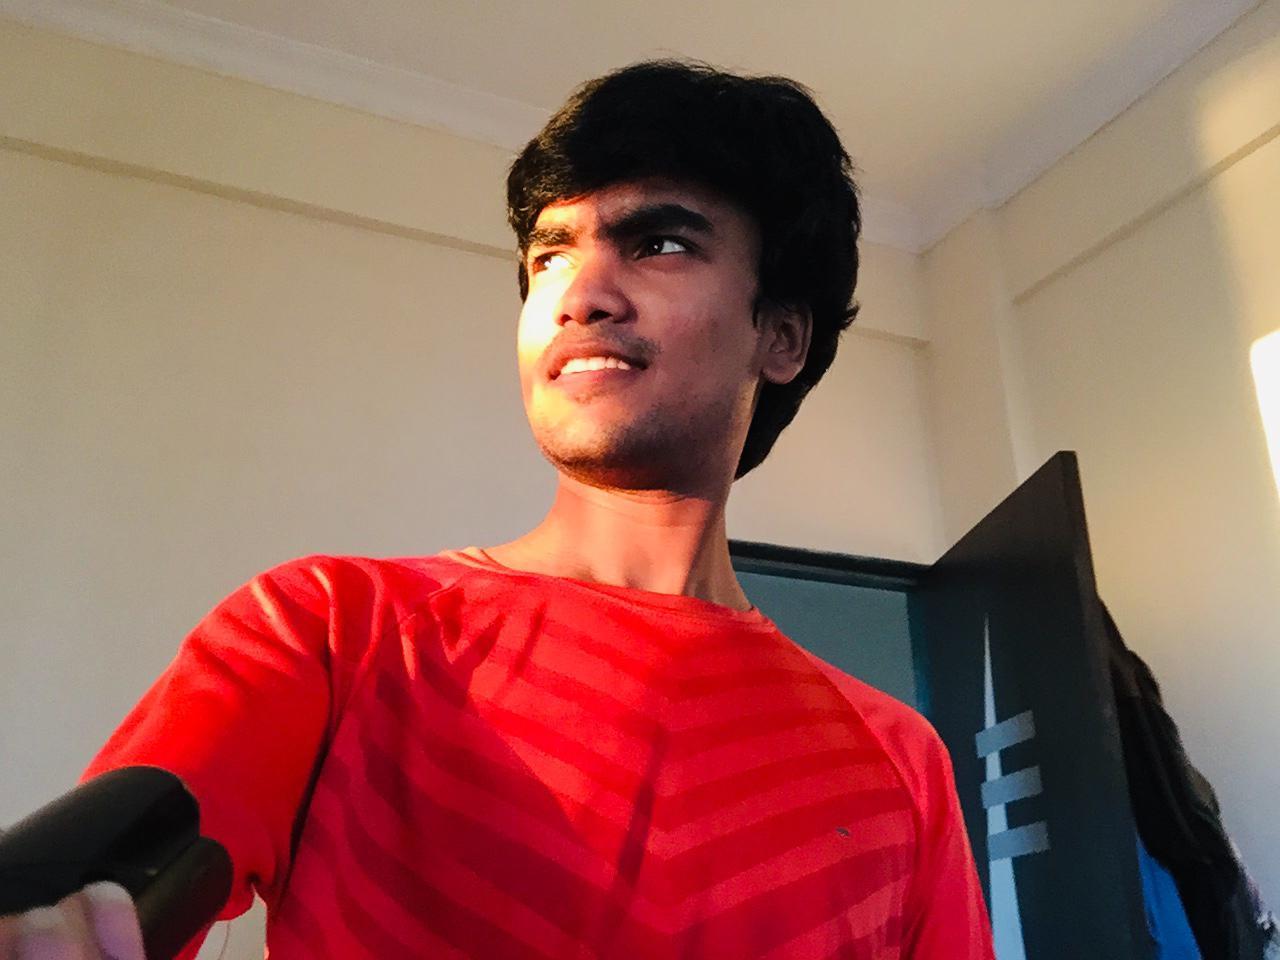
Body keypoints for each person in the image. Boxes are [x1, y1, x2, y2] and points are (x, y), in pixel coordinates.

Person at [0, 60, 995, 959]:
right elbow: (99, 889)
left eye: (657, 243)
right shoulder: (333, 630)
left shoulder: (900, 763)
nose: (578, 295)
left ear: (780, 336)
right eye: (549, 257)